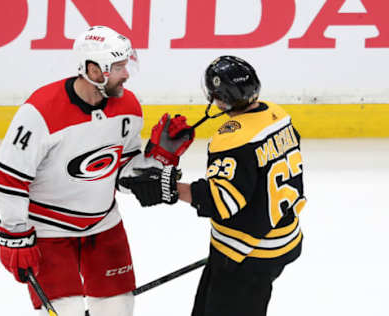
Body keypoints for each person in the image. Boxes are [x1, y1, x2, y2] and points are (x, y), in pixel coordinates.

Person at [0, 25, 165, 316]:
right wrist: (15, 233)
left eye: (126, 64)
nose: (127, 74)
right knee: (67, 311)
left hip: (104, 225)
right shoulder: (40, 112)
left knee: (117, 310)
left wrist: (159, 159)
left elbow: (121, 173)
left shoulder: (129, 106)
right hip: (48, 231)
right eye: (118, 67)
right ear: (93, 70)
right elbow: (8, 178)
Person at [119, 55, 306, 316]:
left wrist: (168, 186)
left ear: (220, 98)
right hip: (281, 238)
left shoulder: (231, 138)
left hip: (246, 253)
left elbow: (223, 201)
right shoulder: (277, 113)